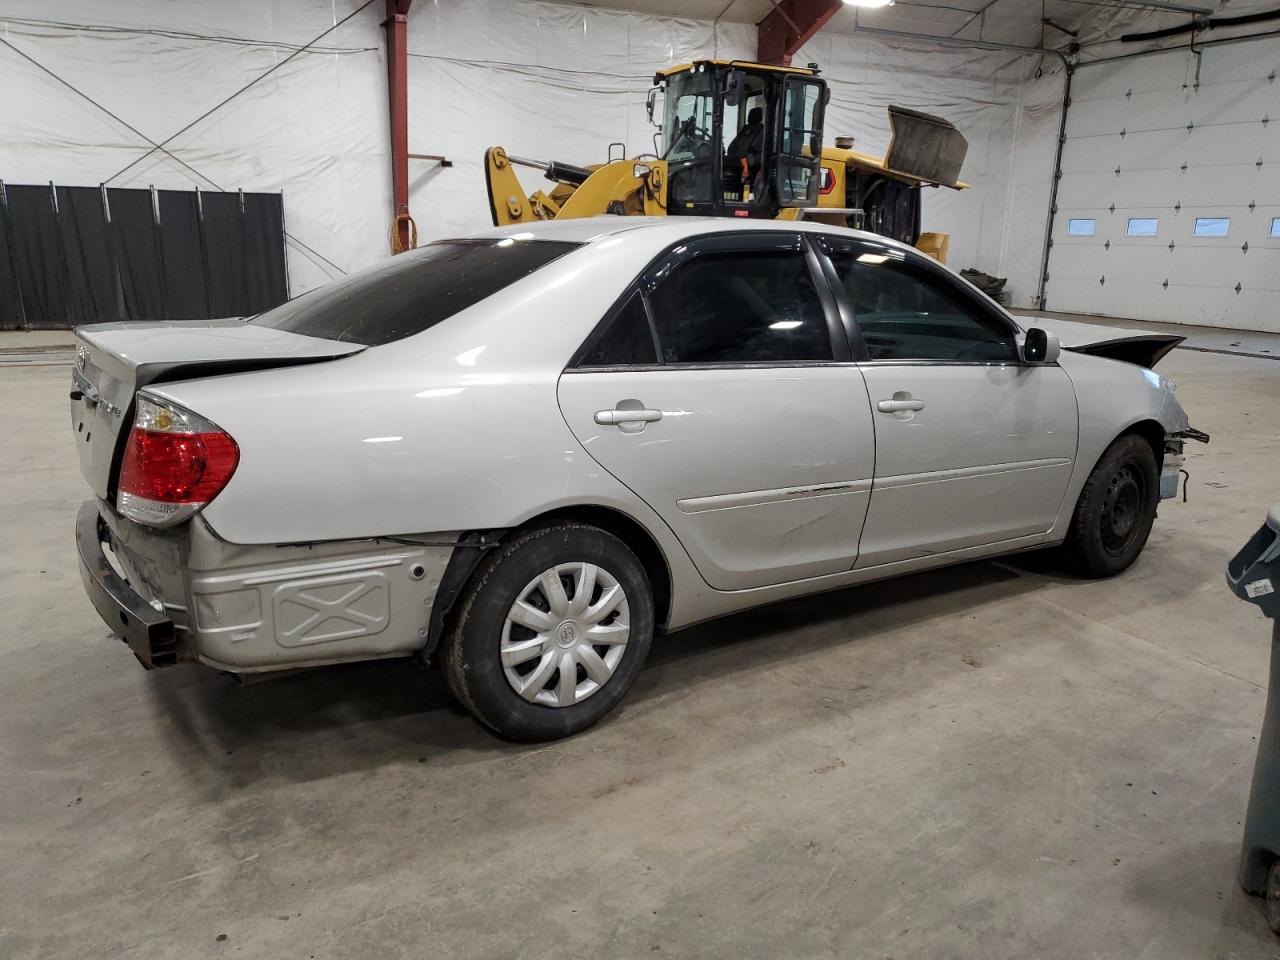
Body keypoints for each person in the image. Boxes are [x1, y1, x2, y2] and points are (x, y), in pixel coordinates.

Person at [724, 106, 764, 196]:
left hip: (750, 162)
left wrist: (745, 160)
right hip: (740, 160)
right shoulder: (745, 130)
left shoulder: (761, 131)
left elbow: (754, 151)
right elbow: (731, 148)